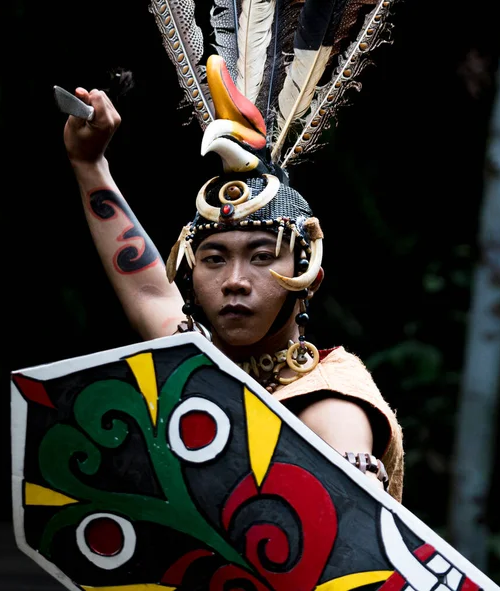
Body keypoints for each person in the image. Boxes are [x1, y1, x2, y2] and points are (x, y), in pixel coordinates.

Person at [59, 3, 404, 502]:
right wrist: (89, 163)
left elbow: (347, 540)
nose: (234, 280)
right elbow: (147, 287)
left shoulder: (333, 398)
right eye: (215, 259)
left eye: (262, 256)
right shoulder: (202, 358)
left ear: (309, 276)